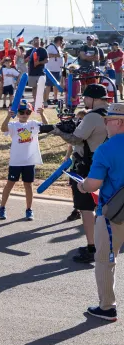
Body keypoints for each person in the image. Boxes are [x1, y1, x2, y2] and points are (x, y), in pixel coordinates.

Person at [46, 84, 110, 264]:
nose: (84, 101)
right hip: (111, 166)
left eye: (86, 98)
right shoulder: (113, 113)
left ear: (94, 99)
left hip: (89, 166)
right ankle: (110, 244)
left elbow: (76, 138)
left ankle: (92, 248)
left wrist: (58, 131)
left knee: (87, 207)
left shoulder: (91, 117)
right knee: (108, 206)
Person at [77, 102, 124, 321]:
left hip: (113, 213)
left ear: (119, 122)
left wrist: (82, 185)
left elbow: (93, 184)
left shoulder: (106, 148)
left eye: (108, 120)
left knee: (105, 259)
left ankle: (107, 307)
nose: (105, 125)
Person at [0, 101, 47, 221]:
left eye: (28, 112)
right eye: (21, 112)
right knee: (10, 184)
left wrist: (42, 114)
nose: (24, 114)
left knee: (28, 186)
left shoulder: (33, 124)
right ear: (17, 113)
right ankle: (2, 207)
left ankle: (29, 209)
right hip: (16, 162)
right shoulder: (14, 125)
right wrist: (8, 116)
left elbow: (46, 127)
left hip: (29, 162)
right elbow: (3, 128)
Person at [44, 36, 65, 106]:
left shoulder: (59, 47)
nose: (62, 42)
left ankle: (55, 98)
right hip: (51, 69)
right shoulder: (51, 47)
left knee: (56, 85)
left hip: (58, 69)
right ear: (59, 40)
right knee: (48, 85)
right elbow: (47, 55)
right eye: (62, 41)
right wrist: (57, 55)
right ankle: (47, 99)